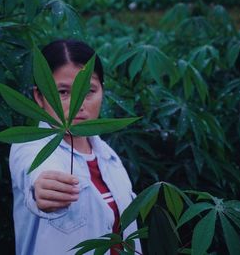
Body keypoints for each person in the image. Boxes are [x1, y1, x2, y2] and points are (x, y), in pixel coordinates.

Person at [9, 39, 141, 255]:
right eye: (62, 92)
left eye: (88, 91)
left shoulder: (108, 156)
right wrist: (40, 190)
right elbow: (34, 174)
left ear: (102, 91)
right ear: (39, 97)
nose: (79, 103)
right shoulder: (30, 145)